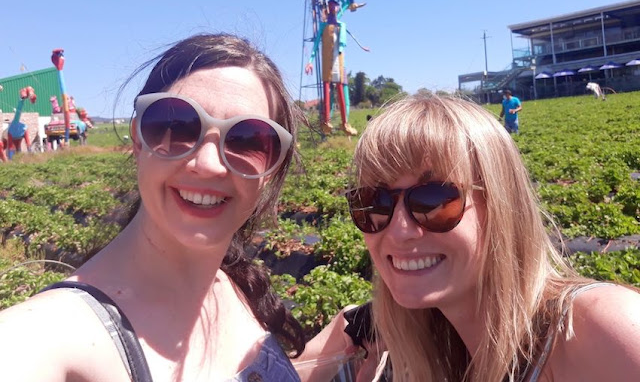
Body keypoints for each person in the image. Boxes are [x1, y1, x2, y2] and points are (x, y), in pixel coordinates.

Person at [0, 33, 305, 381]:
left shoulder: (234, 284)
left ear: (272, 168)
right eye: (176, 125)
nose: (208, 164)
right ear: (138, 140)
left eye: (248, 139)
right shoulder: (54, 337)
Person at [306, 93, 640, 381]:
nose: (400, 230)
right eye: (373, 204)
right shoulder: (423, 346)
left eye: (434, 200)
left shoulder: (601, 331)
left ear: (501, 203)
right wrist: (347, 330)